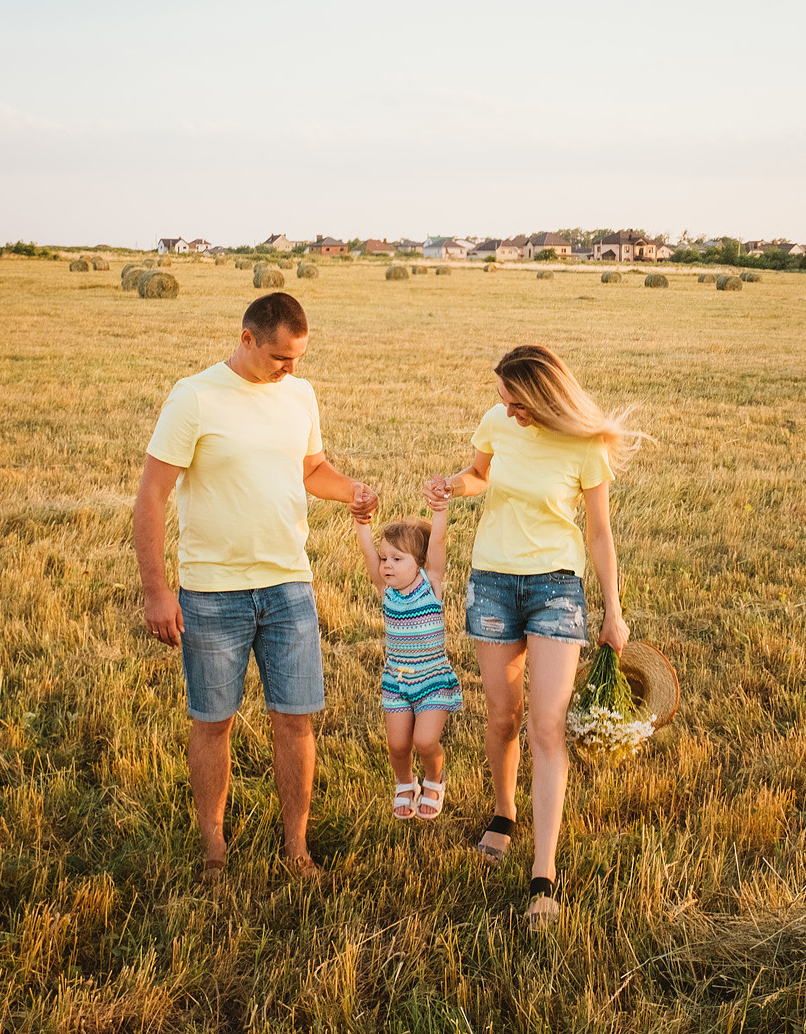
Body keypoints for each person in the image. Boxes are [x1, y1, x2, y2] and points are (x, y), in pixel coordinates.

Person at [134, 291, 376, 880]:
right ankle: (214, 852)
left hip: (288, 584)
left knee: (295, 719)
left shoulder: (300, 394)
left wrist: (352, 490)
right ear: (246, 340)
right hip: (212, 592)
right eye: (279, 358)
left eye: (298, 357)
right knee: (212, 721)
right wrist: (157, 590)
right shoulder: (194, 396)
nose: (290, 369)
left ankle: (296, 847)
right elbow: (152, 496)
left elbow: (310, 468)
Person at [425, 343, 643, 927]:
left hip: (556, 587)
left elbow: (599, 533)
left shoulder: (585, 444)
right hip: (493, 583)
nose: (507, 411)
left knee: (547, 725)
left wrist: (613, 611)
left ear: (544, 397)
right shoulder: (497, 422)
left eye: (517, 402)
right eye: (503, 400)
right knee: (502, 716)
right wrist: (453, 485)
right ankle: (503, 813)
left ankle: (543, 873)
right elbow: (479, 475)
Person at [351, 501, 462, 821]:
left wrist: (440, 510)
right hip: (396, 680)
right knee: (398, 745)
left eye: (397, 559)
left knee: (425, 741)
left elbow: (438, 542)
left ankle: (433, 779)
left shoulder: (431, 584)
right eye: (385, 558)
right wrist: (362, 523)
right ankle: (405, 783)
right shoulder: (386, 589)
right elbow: (368, 554)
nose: (386, 565)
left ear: (421, 563)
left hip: (432, 679)